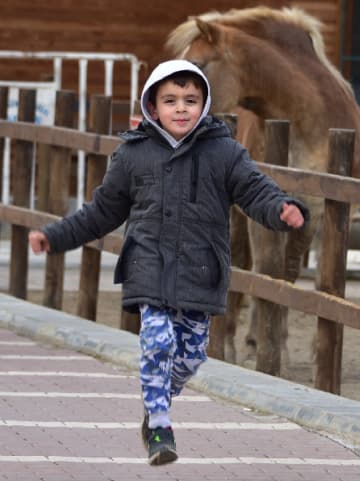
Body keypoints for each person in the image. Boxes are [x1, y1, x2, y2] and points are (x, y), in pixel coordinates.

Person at [27, 59, 309, 466]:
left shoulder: (225, 152)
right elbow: (100, 213)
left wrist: (283, 208)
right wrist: (54, 237)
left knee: (191, 355)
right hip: (149, 265)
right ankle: (160, 424)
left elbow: (256, 191)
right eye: (171, 100)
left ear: (204, 105)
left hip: (202, 270)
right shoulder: (132, 155)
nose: (181, 109)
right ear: (152, 107)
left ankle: (155, 401)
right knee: (157, 340)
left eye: (190, 100)